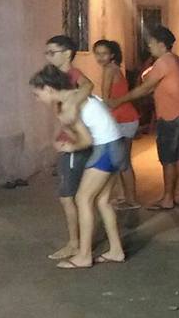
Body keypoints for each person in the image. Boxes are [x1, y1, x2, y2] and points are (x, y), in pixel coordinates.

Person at [30, 65, 126, 269]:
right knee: (102, 201)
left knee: (83, 199)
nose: (37, 99)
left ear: (48, 89)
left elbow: (86, 141)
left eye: (37, 94)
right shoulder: (77, 95)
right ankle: (116, 250)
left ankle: (84, 255)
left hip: (106, 148)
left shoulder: (68, 106)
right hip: (117, 145)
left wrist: (69, 146)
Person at [109, 26, 179, 211]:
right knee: (176, 157)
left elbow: (145, 87)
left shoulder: (164, 62)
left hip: (169, 117)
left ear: (161, 44)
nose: (149, 47)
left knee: (167, 160)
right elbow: (148, 79)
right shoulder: (173, 59)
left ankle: (167, 199)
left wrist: (119, 100)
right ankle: (177, 194)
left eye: (151, 44)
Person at [44, 35, 96, 260]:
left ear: (67, 54)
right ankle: (78, 242)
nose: (48, 57)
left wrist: (73, 102)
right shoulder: (58, 77)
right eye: (47, 53)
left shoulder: (72, 75)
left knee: (69, 197)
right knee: (77, 197)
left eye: (52, 52)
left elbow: (88, 85)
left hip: (76, 142)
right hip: (70, 137)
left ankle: (76, 244)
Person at [94, 40, 140, 210]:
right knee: (120, 161)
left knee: (124, 162)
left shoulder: (109, 70)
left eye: (104, 53)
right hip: (124, 118)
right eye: (97, 53)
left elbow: (106, 99)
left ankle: (132, 200)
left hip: (123, 119)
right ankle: (124, 196)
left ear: (111, 55)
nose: (100, 57)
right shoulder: (115, 68)